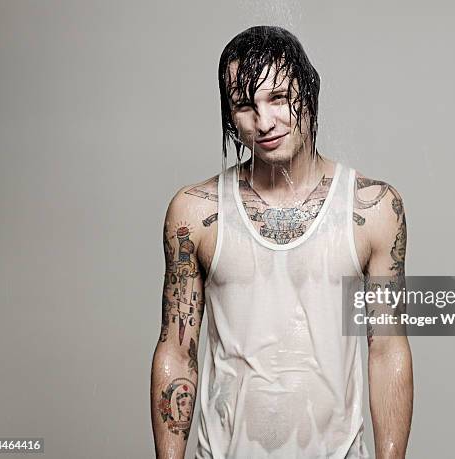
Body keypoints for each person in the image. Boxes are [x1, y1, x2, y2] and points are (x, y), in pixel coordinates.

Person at [151, 25, 413, 459]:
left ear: (308, 92)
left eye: (277, 98)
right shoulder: (194, 212)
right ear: (230, 116)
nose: (264, 121)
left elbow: (387, 349)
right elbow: (177, 351)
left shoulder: (375, 209)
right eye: (244, 106)